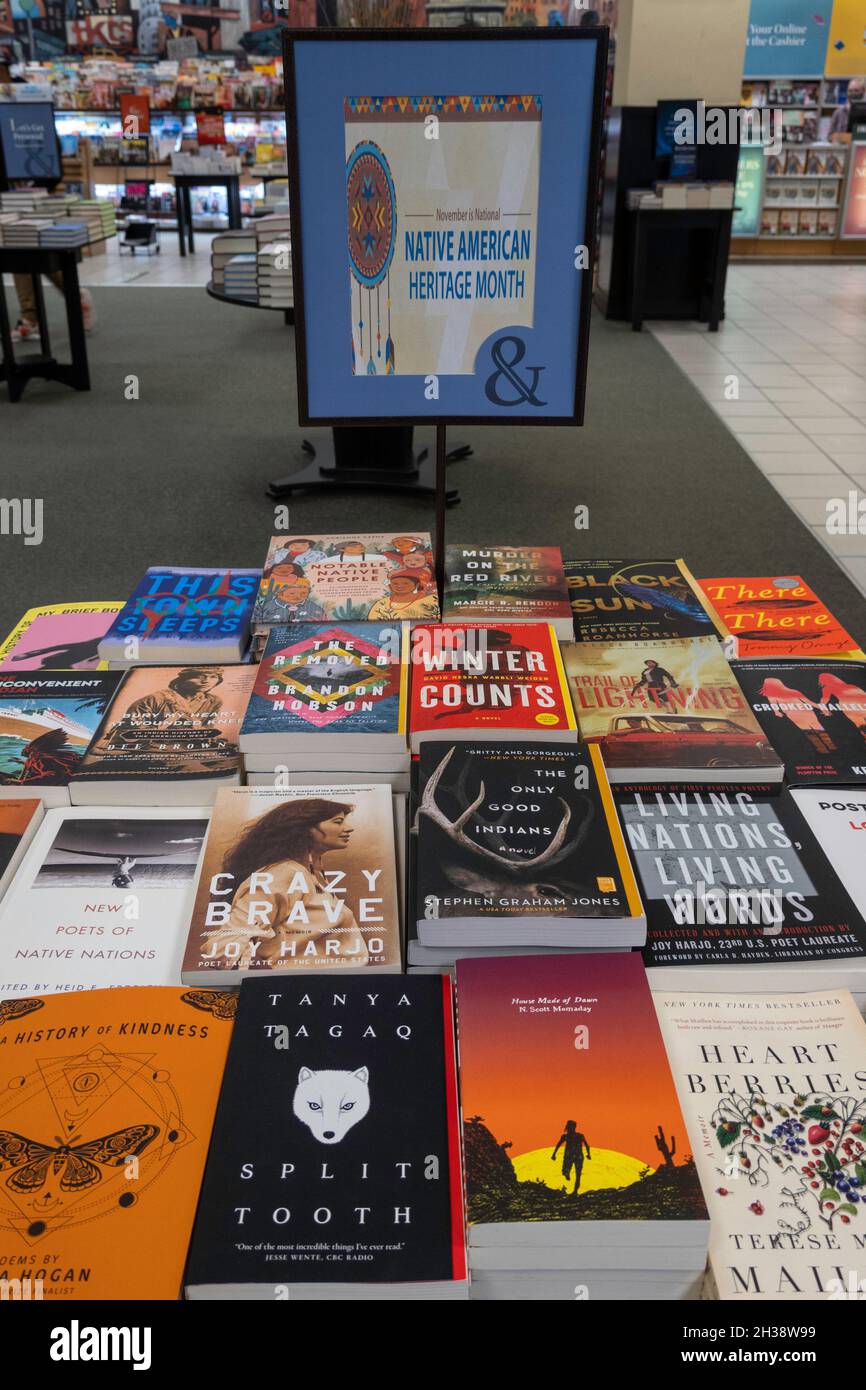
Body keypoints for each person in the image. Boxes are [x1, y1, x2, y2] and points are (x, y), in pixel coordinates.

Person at [200, 797, 369, 970]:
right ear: (305, 828)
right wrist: (275, 979)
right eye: (338, 822)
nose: (348, 828)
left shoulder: (311, 873)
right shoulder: (283, 873)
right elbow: (220, 950)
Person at [551, 1119, 592, 1195]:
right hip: (571, 1156)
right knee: (568, 1172)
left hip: (576, 1156)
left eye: (571, 1127)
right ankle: (567, 1173)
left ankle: (575, 1191)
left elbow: (586, 1145)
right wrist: (554, 1154)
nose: (570, 1128)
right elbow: (558, 1144)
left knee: (578, 1174)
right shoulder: (565, 1136)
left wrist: (589, 1154)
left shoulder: (579, 1136)